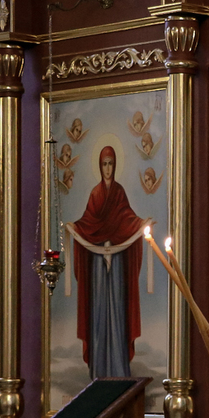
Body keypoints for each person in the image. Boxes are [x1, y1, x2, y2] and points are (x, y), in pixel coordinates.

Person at [68, 146, 148, 377]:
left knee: (118, 307)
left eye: (111, 163)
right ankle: (99, 369)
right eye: (104, 164)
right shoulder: (95, 194)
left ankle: (119, 368)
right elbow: (89, 223)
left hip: (119, 259)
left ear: (115, 165)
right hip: (96, 261)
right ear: (99, 166)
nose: (107, 168)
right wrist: (75, 227)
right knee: (99, 308)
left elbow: (127, 219)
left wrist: (142, 224)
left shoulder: (119, 192)